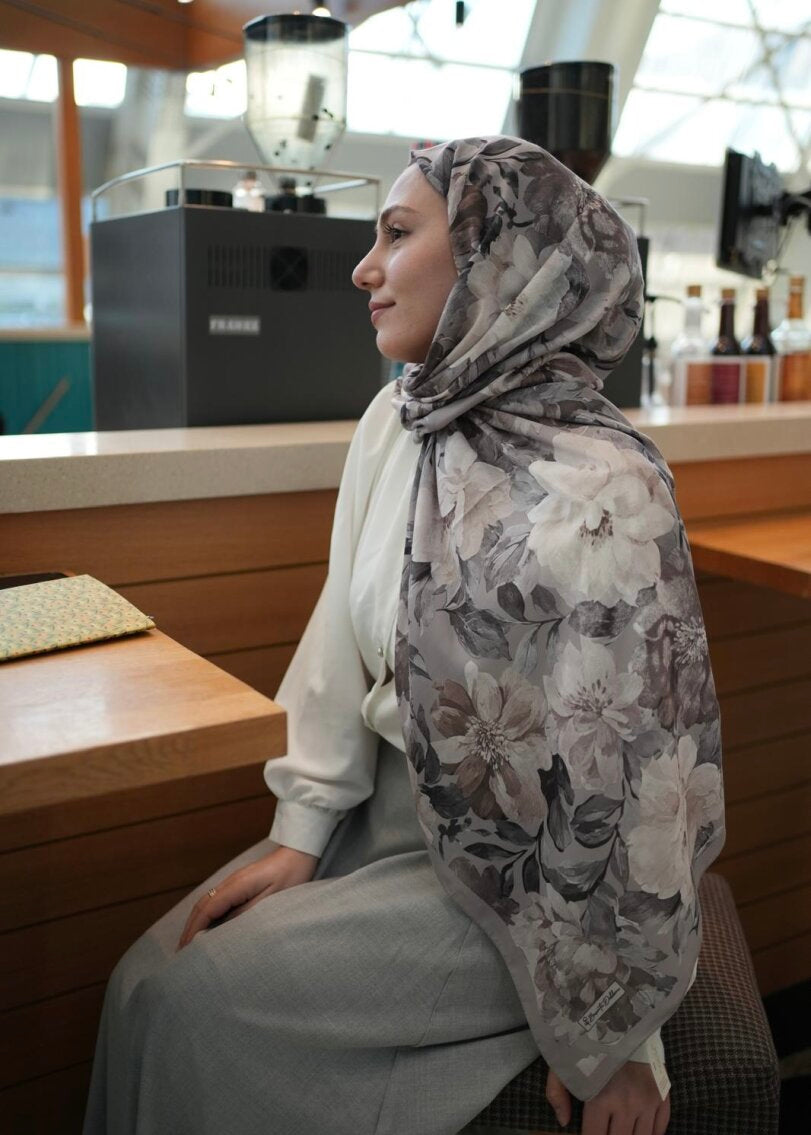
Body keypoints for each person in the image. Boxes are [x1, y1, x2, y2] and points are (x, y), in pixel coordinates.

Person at [84, 136, 723, 1135]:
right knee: (140, 976)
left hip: (520, 880)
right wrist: (298, 834)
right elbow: (336, 647)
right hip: (376, 817)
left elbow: (642, 771)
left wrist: (619, 1032)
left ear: (498, 260)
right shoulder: (399, 420)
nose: (362, 267)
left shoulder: (612, 484)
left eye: (394, 234)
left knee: (192, 1005)